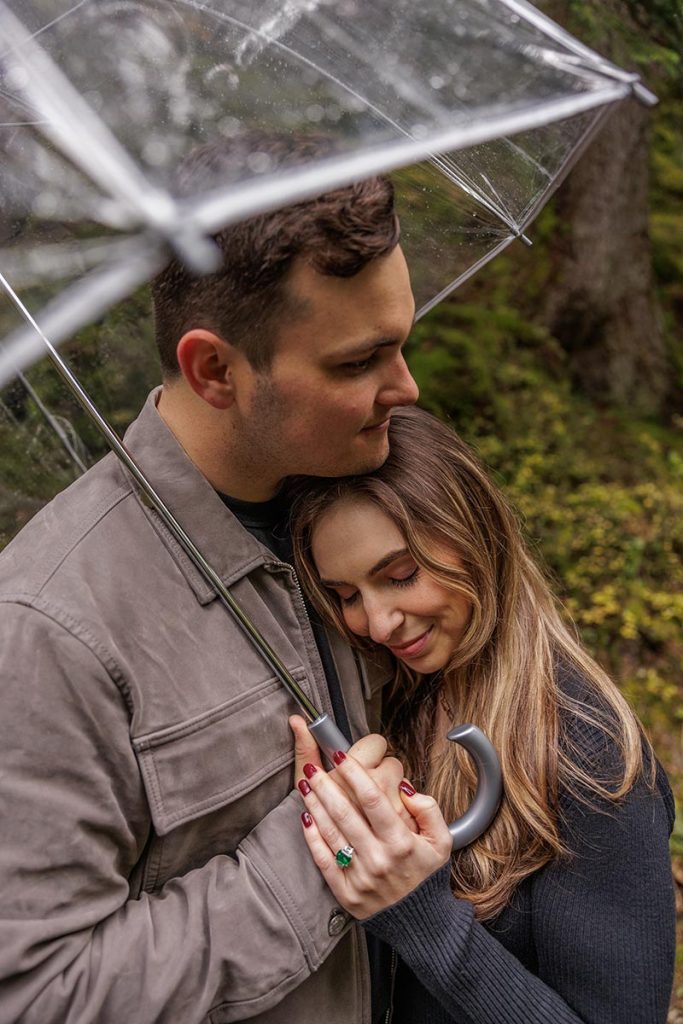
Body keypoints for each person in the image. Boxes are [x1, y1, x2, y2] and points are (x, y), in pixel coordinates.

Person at [0, 133, 420, 1023]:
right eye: (357, 362)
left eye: (400, 344)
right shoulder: (50, 627)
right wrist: (322, 860)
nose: (406, 387)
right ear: (215, 370)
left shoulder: (355, 513)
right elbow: (36, 993)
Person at [287, 404, 676, 1024]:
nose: (377, 623)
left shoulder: (590, 757)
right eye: (346, 596)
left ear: (475, 533)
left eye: (402, 575)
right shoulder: (404, 695)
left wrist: (420, 915)